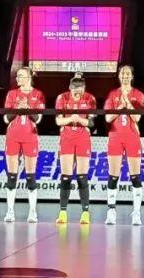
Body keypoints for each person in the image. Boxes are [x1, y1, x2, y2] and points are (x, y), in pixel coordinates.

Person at [103, 64, 144, 226]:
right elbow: (108, 118)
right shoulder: (112, 94)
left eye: (128, 73)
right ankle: (111, 211)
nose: (125, 76)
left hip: (132, 137)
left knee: (135, 176)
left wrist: (128, 104)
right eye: (123, 73)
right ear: (119, 76)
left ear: (132, 76)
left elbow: (137, 118)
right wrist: (119, 107)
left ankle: (136, 213)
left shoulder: (138, 94)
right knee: (113, 175)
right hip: (115, 136)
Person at [2, 67, 45, 223]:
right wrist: (17, 109)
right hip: (13, 137)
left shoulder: (38, 94)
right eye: (17, 76)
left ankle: (32, 212)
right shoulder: (11, 94)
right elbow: (6, 118)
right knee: (12, 175)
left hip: (30, 137)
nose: (17, 78)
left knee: (30, 176)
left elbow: (38, 118)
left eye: (21, 76)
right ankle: (10, 211)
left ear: (29, 77)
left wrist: (27, 108)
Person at [54, 73, 96, 225]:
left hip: (82, 138)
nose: (77, 92)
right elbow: (58, 121)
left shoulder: (90, 98)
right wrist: (71, 119)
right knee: (66, 176)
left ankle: (85, 213)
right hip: (67, 137)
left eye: (80, 89)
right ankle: (62, 212)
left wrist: (80, 120)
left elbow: (91, 123)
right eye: (74, 88)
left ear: (84, 88)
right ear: (70, 88)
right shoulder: (62, 98)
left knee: (82, 177)